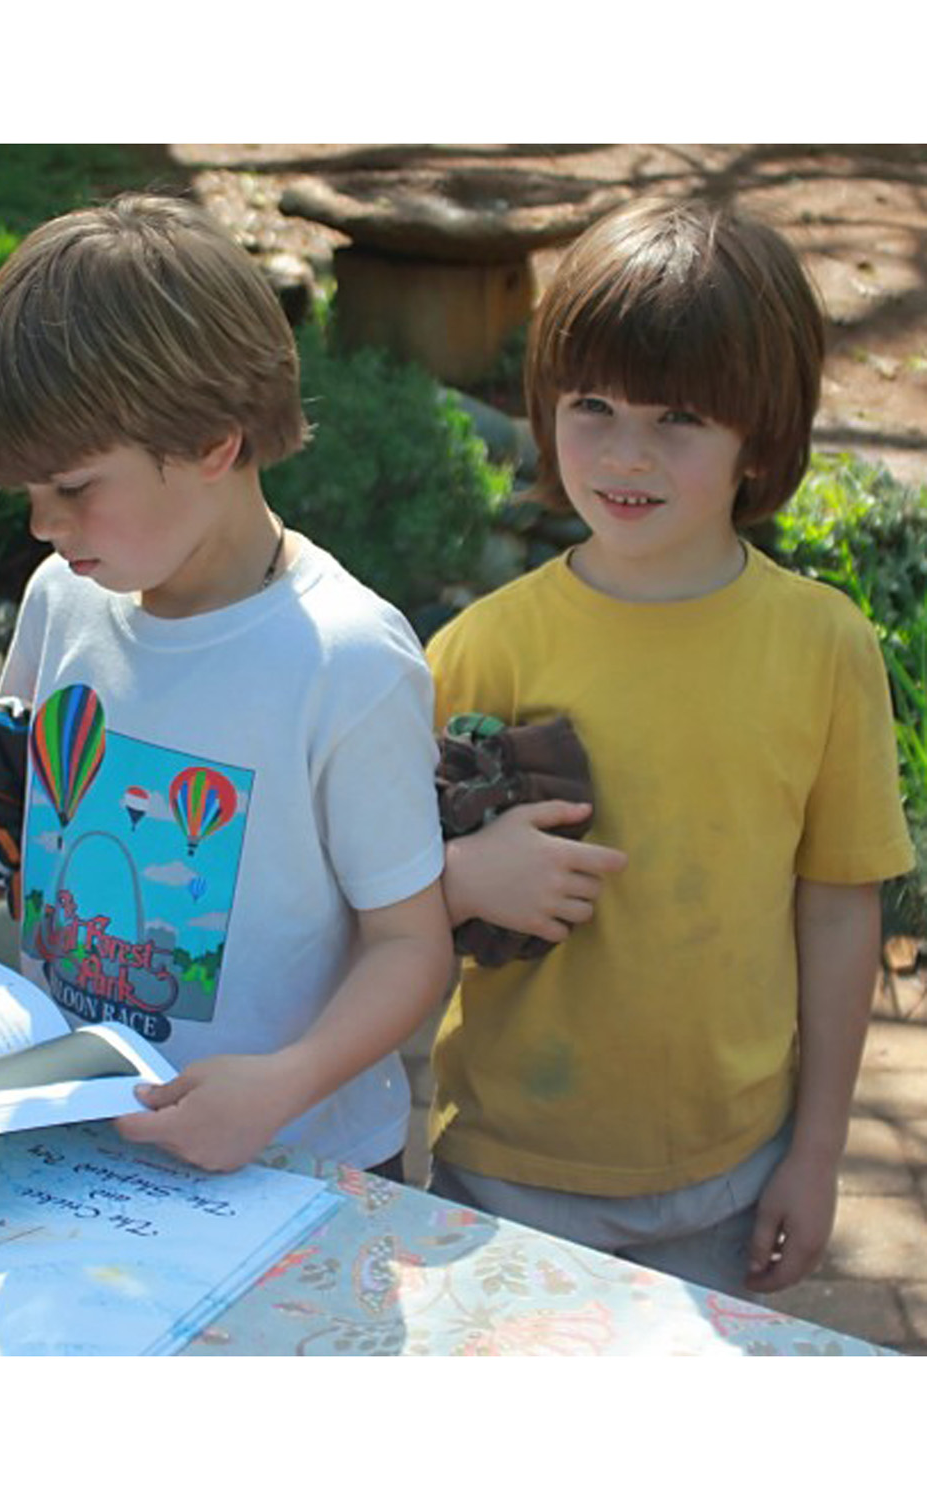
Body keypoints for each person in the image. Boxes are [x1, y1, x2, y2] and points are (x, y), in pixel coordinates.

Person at [0, 193, 455, 1179]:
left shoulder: (348, 665)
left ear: (216, 442)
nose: (43, 526)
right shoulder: (65, 597)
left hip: (293, 1159)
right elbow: (31, 802)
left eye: (75, 488)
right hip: (82, 1131)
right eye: (28, 496)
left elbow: (409, 948)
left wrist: (284, 1083)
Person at [427, 197, 915, 1296]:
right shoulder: (481, 650)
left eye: (680, 417)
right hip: (500, 1170)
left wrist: (820, 1150)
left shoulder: (823, 646)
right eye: (591, 404)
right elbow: (368, 897)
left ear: (762, 437)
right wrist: (457, 873)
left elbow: (839, 906)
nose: (626, 452)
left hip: (731, 1180)